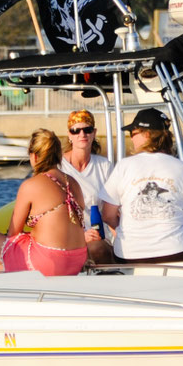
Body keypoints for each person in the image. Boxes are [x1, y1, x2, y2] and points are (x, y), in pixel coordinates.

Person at [100, 108, 183, 264]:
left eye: (133, 133)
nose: (131, 138)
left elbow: (108, 215)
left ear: (147, 135)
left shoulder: (124, 166)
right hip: (179, 252)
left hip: (130, 255)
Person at [0, 129, 90, 276]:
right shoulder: (73, 183)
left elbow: (13, 234)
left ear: (34, 156)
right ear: (59, 155)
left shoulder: (30, 185)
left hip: (50, 261)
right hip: (77, 259)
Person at [58, 109, 115, 263]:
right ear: (69, 135)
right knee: (94, 248)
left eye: (87, 130)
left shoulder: (104, 166)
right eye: (76, 131)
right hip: (66, 236)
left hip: (99, 235)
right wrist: (79, 236)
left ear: (94, 132)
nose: (82, 134)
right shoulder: (58, 167)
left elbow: (114, 208)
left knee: (98, 247)